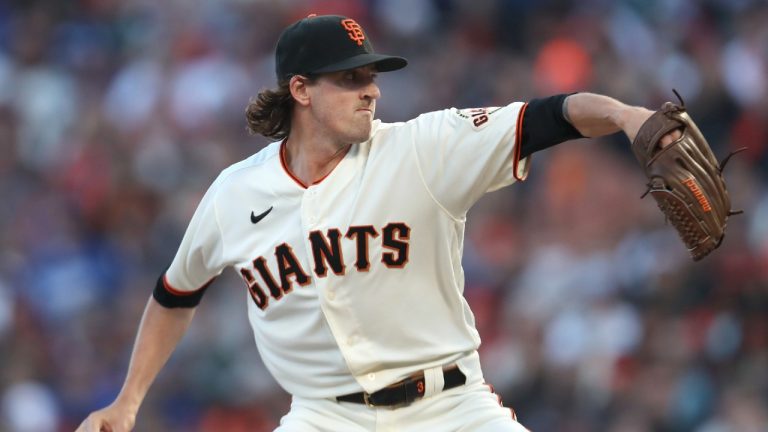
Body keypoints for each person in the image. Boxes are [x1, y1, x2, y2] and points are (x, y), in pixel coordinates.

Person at [78, 14, 680, 432]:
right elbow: (175, 292)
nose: (369, 90)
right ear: (300, 91)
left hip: (450, 406)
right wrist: (128, 401)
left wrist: (627, 115)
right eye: (349, 78)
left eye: (371, 76)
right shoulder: (235, 194)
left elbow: (551, 117)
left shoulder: (422, 148)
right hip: (324, 415)